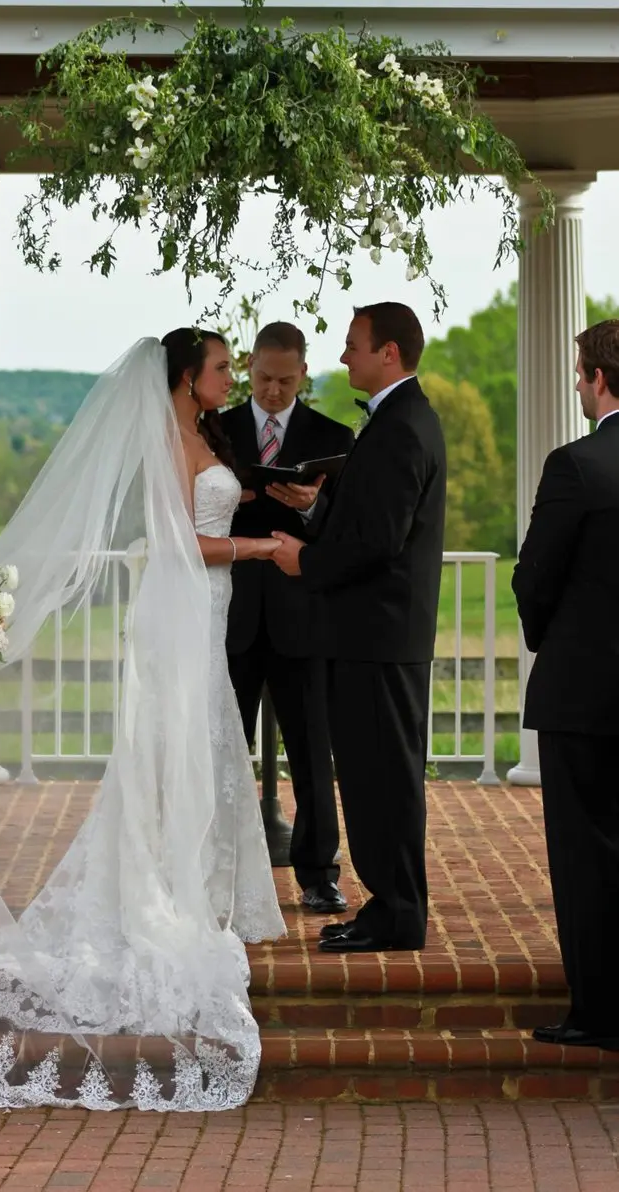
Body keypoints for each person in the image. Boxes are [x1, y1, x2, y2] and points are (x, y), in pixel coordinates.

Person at [0, 332, 286, 1112]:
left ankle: (198, 882)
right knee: (174, 742)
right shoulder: (173, 442)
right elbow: (183, 541)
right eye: (219, 368)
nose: (230, 378)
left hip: (204, 613)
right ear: (186, 378)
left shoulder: (199, 436)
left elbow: (208, 503)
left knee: (201, 741)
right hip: (182, 610)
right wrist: (263, 545)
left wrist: (260, 498)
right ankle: (168, 887)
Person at [272, 303, 446, 953]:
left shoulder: (401, 427)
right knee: (374, 780)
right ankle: (389, 907)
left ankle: (399, 913)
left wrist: (304, 559)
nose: (345, 357)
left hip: (379, 639)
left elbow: (380, 540)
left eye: (353, 346)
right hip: (375, 638)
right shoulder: (398, 420)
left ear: (389, 354)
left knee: (384, 783)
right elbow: (371, 518)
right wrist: (318, 504)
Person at [513, 320, 619, 1051]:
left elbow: (534, 578)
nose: (578, 383)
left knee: (586, 859)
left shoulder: (576, 465)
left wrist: (559, 642)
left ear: (597, 378)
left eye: (580, 371)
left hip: (586, 696)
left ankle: (599, 1013)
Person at [223, 322, 353, 912]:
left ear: (304, 372)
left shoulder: (334, 436)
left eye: (285, 379)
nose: (273, 390)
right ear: (250, 367)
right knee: (224, 748)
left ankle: (319, 873)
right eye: (264, 378)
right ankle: (221, 870)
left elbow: (348, 530)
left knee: (312, 749)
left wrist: (317, 505)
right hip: (230, 615)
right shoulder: (215, 432)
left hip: (304, 615)